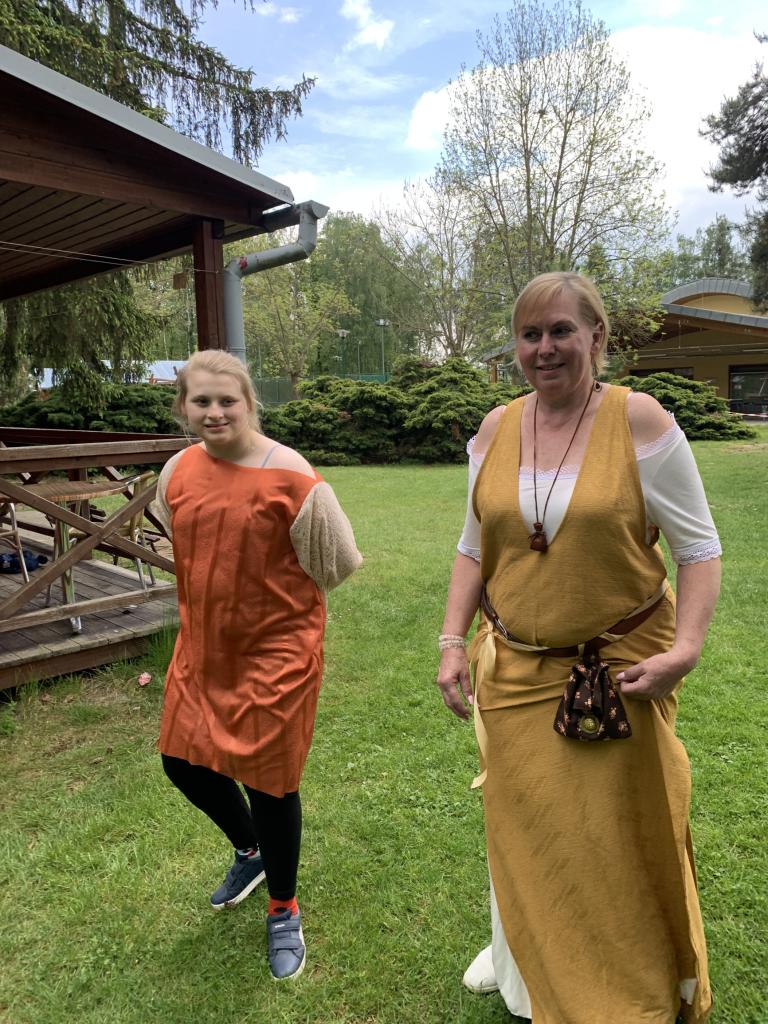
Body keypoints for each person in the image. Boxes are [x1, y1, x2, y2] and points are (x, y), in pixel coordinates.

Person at [436, 272, 721, 1023]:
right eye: (530, 334)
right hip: (514, 669)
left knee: (612, 832)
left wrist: (686, 649)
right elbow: (473, 547)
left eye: (561, 330)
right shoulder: (496, 428)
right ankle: (519, 960)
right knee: (523, 821)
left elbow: (699, 548)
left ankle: (628, 979)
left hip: (618, 670)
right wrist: (452, 641)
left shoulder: (640, 420)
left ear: (597, 337)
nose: (545, 348)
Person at [153, 349, 362, 981]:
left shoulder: (292, 475)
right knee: (181, 761)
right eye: (201, 401)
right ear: (184, 406)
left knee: (270, 784)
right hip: (203, 650)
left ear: (250, 403)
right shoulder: (177, 470)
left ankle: (283, 906)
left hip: (276, 654)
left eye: (228, 400)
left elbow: (338, 562)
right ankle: (251, 852)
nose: (214, 412)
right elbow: (178, 534)